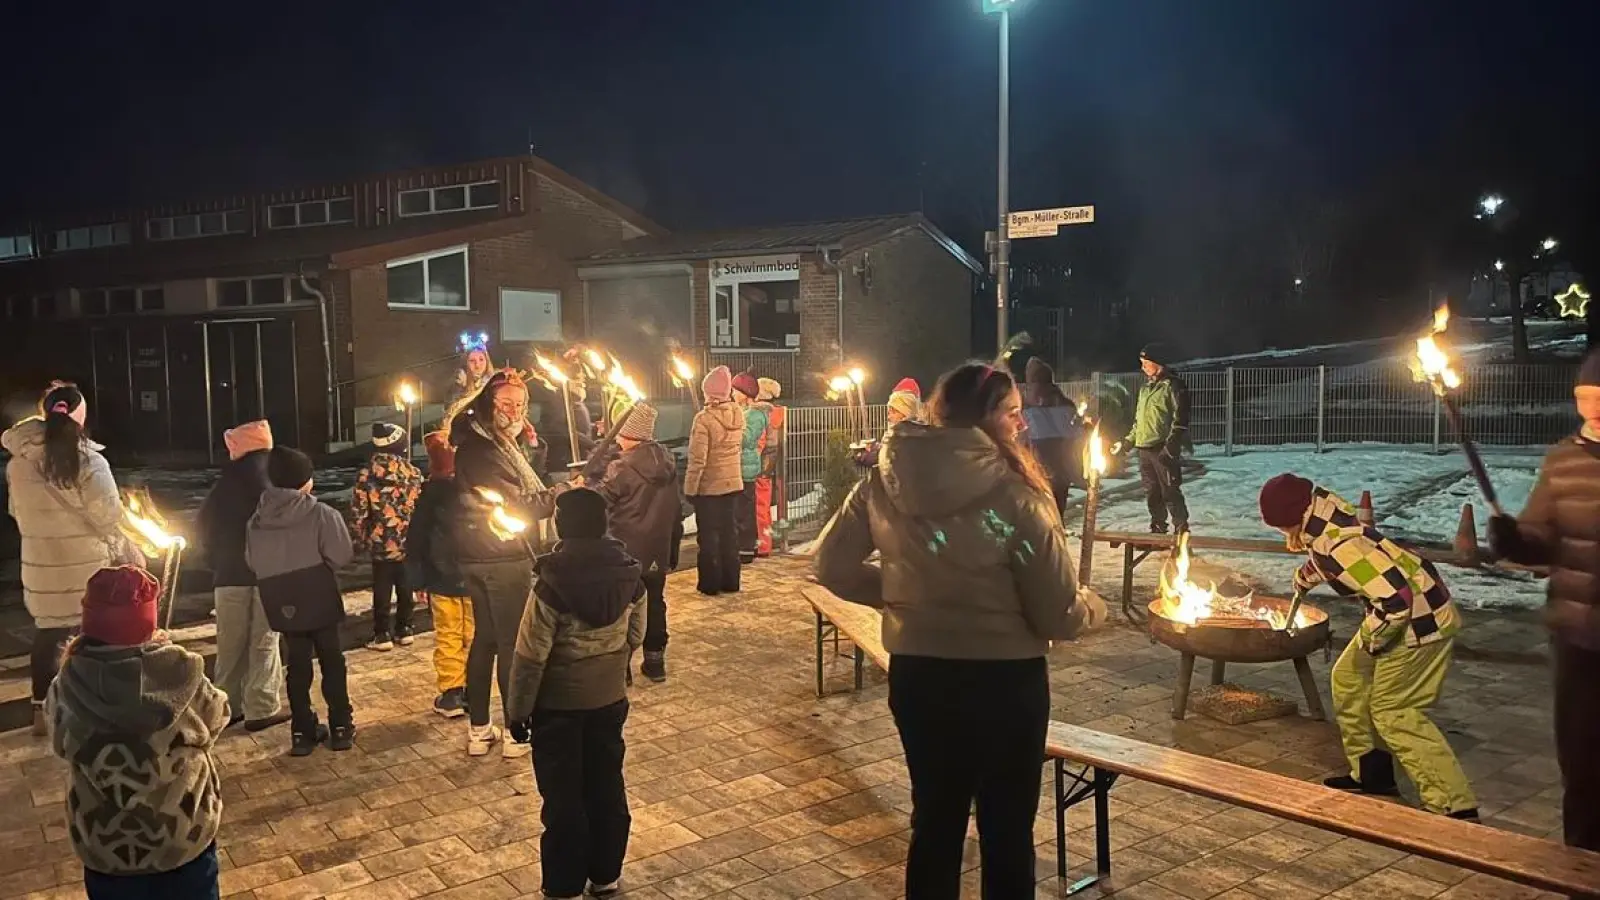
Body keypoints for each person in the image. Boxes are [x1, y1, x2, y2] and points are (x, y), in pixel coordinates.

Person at [814, 362, 1106, 899]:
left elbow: (831, 565)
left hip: (920, 677)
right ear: (985, 419)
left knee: (936, 821)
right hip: (1004, 685)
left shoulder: (884, 476)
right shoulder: (1018, 497)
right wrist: (1092, 606)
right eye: (1013, 413)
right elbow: (1057, 614)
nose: (1022, 425)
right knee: (1006, 831)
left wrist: (907, 594)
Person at [1259, 473, 1478, 820]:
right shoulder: (1327, 520)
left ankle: (1454, 806)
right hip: (1400, 616)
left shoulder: (1339, 543)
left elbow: (1396, 601)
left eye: (1279, 527)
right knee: (1348, 679)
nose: (1282, 534)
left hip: (1420, 624)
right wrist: (1306, 576)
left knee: (1394, 711)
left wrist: (1374, 642)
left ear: (1290, 520)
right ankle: (1372, 772)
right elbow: (1329, 557)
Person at [46, 566, 230, 899]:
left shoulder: (68, 683)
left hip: (107, 847)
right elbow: (218, 717)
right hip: (180, 838)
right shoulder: (181, 674)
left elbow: (60, 742)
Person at [1488, 348, 1600, 858]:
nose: (1593, 411)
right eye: (1585, 399)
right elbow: (1541, 539)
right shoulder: (1563, 462)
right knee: (1582, 767)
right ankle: (1580, 869)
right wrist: (1514, 541)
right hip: (1577, 639)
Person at [508, 488, 645, 900]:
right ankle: (605, 875)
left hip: (559, 707)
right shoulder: (629, 576)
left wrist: (518, 711)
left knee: (564, 797)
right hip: (608, 701)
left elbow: (530, 657)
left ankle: (564, 885)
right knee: (606, 785)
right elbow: (636, 636)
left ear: (562, 526)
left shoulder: (551, 584)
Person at [3, 382, 140, 737]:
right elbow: (107, 516)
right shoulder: (89, 460)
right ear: (81, 415)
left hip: (40, 561)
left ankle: (40, 712)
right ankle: (88, 707)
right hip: (86, 565)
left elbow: (16, 512)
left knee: (47, 633)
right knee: (92, 635)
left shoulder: (18, 464)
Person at [451, 369, 563, 757]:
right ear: (487, 404)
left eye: (521, 405)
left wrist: (534, 447)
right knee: (512, 643)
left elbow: (524, 478)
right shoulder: (482, 450)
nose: (515, 412)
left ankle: (480, 729)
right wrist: (561, 494)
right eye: (507, 404)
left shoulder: (492, 443)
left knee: (486, 638)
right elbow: (516, 503)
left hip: (483, 553)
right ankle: (517, 732)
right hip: (500, 554)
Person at [247, 447, 357, 756]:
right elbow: (341, 554)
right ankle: (340, 726)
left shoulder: (256, 520)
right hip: (317, 593)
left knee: (296, 664)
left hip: (280, 599)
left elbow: (252, 561)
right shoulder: (322, 513)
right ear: (306, 481)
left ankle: (302, 731)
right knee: (332, 660)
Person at [197, 419, 289, 732]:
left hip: (228, 576)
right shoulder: (275, 485)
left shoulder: (220, 489)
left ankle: (226, 708)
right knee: (264, 641)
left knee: (229, 645)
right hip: (269, 576)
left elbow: (204, 533)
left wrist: (217, 563)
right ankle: (261, 707)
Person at [580, 403, 679, 682]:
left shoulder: (622, 468)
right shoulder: (666, 462)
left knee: (621, 608)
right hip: (656, 551)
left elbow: (597, 501)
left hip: (623, 550)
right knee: (654, 602)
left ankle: (620, 668)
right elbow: (676, 511)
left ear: (627, 432)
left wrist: (584, 483)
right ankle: (655, 660)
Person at [407, 431, 475, 718]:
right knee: (474, 632)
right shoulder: (473, 491)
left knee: (448, 633)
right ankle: (475, 685)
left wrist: (417, 580)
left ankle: (452, 692)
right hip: (474, 575)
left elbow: (417, 539)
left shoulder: (429, 496)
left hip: (441, 577)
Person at [352, 422, 423, 651]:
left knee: (382, 586)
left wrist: (360, 538)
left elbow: (359, 511)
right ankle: (405, 629)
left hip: (380, 539)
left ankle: (382, 634)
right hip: (409, 538)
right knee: (405, 583)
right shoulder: (413, 472)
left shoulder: (367, 474)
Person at [684, 366, 745, 595]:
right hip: (733, 484)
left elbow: (697, 459)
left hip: (709, 487)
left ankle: (710, 583)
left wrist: (691, 489)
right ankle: (731, 581)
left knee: (708, 536)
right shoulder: (737, 414)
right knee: (730, 533)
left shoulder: (703, 419)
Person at [1123, 343, 1190, 534]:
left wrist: (1171, 446)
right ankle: (1158, 529)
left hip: (1162, 448)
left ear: (1157, 363)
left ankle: (1181, 532)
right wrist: (1128, 442)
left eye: (1146, 362)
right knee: (1152, 493)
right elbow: (1139, 421)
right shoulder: (1146, 389)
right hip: (1144, 449)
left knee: (1170, 490)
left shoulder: (1173, 386)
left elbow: (1181, 419)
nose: (1143, 366)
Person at [1021, 357, 1085, 516]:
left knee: (1040, 513)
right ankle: (1057, 536)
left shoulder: (1027, 406)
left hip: (1038, 466)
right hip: (1062, 467)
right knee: (1057, 509)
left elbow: (1020, 436)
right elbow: (1078, 434)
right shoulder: (1065, 404)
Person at [732, 370, 768, 564]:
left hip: (746, 468)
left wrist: (731, 428)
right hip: (739, 466)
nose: (732, 394)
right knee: (740, 509)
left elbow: (746, 439)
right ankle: (745, 546)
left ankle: (746, 548)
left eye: (736, 390)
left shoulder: (755, 415)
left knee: (744, 510)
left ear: (746, 394)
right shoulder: (743, 411)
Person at [753, 377, 785, 558]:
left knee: (758, 507)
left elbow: (759, 442)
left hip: (759, 465)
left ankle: (762, 545)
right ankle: (766, 543)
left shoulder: (762, 415)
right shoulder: (778, 414)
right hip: (769, 465)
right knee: (764, 507)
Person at [541, 378, 598, 478]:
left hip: (580, 460)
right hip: (565, 464)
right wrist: (590, 444)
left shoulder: (575, 400)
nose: (582, 382)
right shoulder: (561, 401)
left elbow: (579, 427)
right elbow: (561, 429)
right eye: (577, 379)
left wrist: (595, 427)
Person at [856, 386, 923, 469]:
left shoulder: (904, 437)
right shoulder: (920, 433)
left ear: (905, 413)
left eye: (892, 412)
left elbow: (889, 458)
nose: (888, 417)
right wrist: (875, 448)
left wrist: (863, 456)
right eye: (888, 413)